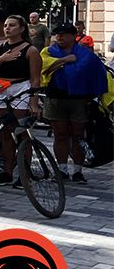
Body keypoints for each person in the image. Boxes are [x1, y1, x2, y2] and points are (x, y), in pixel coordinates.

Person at [41, 22, 107, 184]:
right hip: (56, 98)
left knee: (78, 136)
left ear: (73, 36)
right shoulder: (48, 52)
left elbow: (97, 75)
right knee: (60, 135)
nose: (59, 37)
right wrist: (65, 60)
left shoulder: (86, 55)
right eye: (57, 34)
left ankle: (78, 171)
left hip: (79, 100)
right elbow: (43, 67)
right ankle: (62, 170)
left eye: (63, 34)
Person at [0, 15, 41, 187]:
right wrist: (1, 60)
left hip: (21, 89)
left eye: (12, 25)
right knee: (5, 133)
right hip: (0, 89)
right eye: (6, 25)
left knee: (21, 132)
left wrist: (33, 102)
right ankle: (7, 171)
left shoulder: (30, 50)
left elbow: (36, 79)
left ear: (22, 28)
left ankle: (25, 174)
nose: (7, 28)